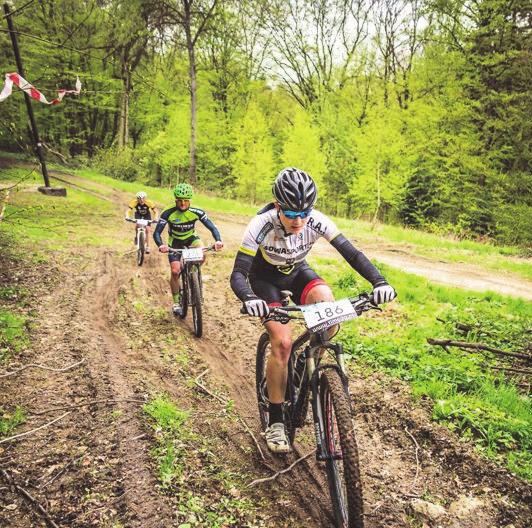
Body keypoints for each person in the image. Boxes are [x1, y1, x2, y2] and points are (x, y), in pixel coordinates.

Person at [230, 167, 396, 454]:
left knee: (329, 310)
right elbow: (238, 274)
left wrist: (379, 282)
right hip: (264, 279)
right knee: (282, 342)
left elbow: (352, 255)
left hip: (298, 272)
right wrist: (248, 298)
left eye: (304, 213)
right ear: (278, 206)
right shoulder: (260, 223)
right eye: (292, 214)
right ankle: (277, 419)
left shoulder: (316, 221)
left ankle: (303, 370)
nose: (299, 220)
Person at [154, 183, 224, 313]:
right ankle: (176, 302)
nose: (182, 204)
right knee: (175, 271)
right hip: (175, 242)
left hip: (192, 239)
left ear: (190, 200)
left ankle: (193, 272)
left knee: (202, 253)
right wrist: (161, 245)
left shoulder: (197, 212)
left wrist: (218, 240)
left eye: (186, 200)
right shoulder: (167, 213)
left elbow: (212, 227)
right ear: (175, 200)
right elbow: (156, 233)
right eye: (179, 200)